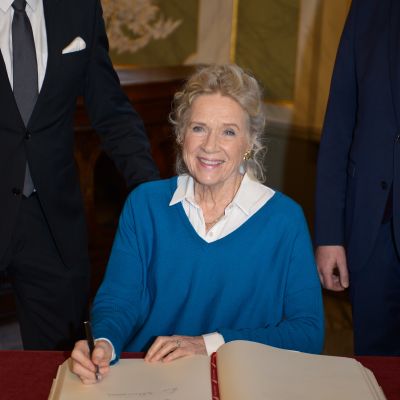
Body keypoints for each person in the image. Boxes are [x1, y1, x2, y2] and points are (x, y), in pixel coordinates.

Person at [71, 64, 324, 384]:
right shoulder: (145, 204)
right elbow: (119, 301)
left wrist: (210, 344)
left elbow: (308, 333)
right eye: (199, 128)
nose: (210, 146)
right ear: (180, 134)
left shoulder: (285, 220)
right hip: (152, 379)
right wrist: (104, 345)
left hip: (245, 383)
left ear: (250, 141)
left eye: (229, 131)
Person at [0, 0, 159, 350]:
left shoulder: (79, 7)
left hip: (52, 220)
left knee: (61, 365)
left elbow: (111, 109)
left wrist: (151, 192)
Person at [314, 0, 400, 355]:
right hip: (374, 230)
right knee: (375, 370)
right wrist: (330, 233)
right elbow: (339, 123)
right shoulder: (369, 6)